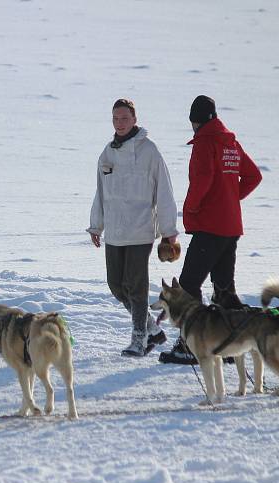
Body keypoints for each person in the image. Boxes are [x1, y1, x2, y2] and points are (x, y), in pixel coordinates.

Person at [159, 95, 263, 364]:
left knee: (188, 286)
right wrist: (229, 198)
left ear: (195, 121)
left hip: (211, 227)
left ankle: (190, 346)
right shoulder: (230, 142)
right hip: (230, 227)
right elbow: (253, 176)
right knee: (224, 289)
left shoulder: (206, 142)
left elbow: (202, 180)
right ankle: (231, 347)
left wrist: (192, 209)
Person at [88, 98, 179, 357]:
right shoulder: (107, 153)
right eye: (115, 118)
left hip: (140, 231)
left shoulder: (149, 151)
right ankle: (152, 329)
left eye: (124, 118)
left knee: (136, 287)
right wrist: (96, 225)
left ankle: (139, 340)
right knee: (116, 286)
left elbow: (164, 192)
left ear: (134, 120)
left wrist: (169, 230)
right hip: (115, 232)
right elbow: (100, 192)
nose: (119, 123)